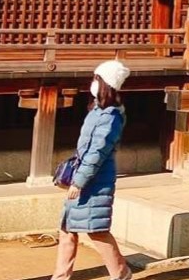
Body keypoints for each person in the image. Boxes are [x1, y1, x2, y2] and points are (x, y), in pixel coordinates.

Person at [53, 60, 133, 280]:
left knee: (96, 230)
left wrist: (78, 182)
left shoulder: (111, 117)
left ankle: (121, 273)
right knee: (67, 228)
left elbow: (97, 153)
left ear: (105, 83)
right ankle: (61, 276)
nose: (92, 83)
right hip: (86, 176)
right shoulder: (98, 110)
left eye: (96, 79)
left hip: (95, 180)